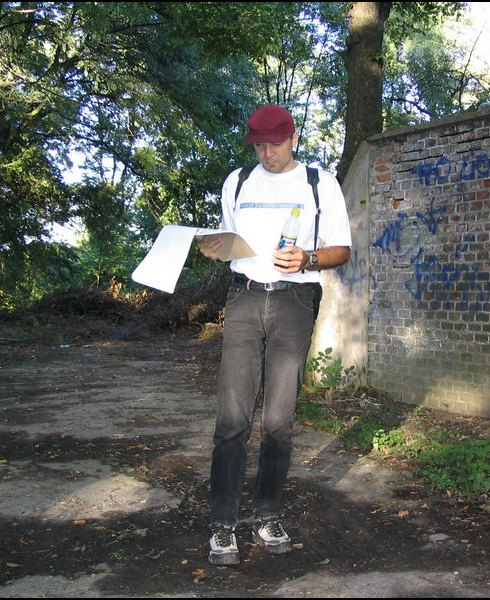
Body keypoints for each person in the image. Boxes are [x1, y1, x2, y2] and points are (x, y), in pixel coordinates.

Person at [197, 104, 352, 565]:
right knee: (232, 418)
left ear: (294, 139)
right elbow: (229, 245)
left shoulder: (320, 183)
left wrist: (307, 259)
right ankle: (222, 525)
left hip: (294, 301)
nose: (267, 153)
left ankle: (267, 515)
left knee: (279, 421)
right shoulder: (238, 181)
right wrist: (214, 248)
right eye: (260, 145)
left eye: (276, 144)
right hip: (244, 297)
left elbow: (342, 249)